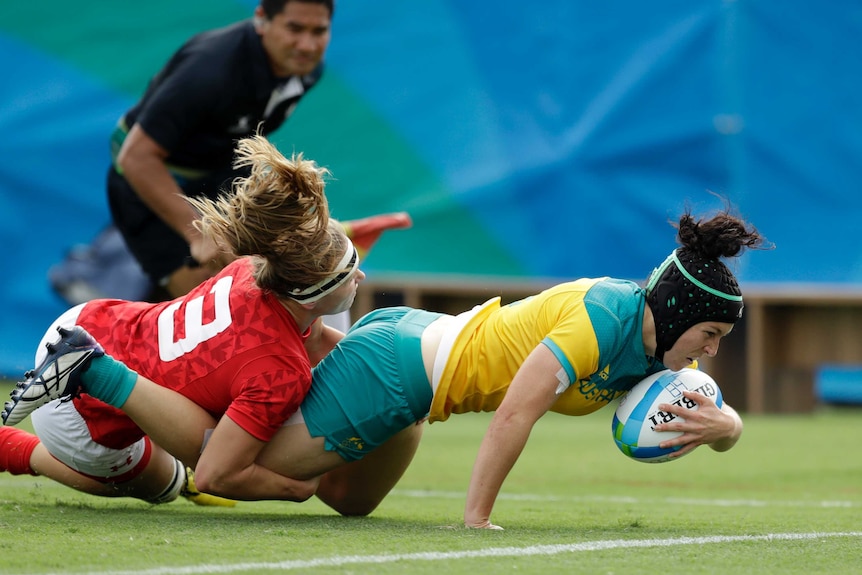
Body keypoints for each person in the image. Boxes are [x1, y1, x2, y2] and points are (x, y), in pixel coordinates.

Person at [4, 206, 766, 527]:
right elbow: (513, 414)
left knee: (348, 505)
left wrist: (726, 424)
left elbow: (678, 414)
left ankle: (324, 302)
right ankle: (77, 390)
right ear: (673, 313)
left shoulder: (645, 343)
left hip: (409, 377)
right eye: (707, 333)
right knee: (209, 467)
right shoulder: (603, 317)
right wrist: (476, 520)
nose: (710, 352)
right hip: (400, 367)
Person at [2, 133, 365, 506]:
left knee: (208, 405)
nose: (361, 278)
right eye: (349, 272)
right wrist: (298, 488)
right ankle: (11, 444)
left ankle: (94, 370)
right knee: (162, 484)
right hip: (79, 406)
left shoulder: (249, 269)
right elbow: (217, 474)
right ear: (309, 296)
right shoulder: (283, 371)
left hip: (91, 321)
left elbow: (318, 340)